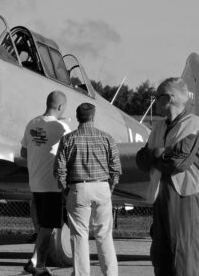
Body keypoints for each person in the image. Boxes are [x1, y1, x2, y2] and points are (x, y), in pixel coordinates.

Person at [135, 77, 199, 276]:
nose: (154, 101)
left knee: (184, 254)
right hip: (161, 195)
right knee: (161, 253)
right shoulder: (159, 126)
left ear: (169, 98)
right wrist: (159, 154)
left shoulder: (196, 126)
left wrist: (155, 154)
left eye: (157, 97)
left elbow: (177, 163)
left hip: (185, 196)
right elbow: (141, 160)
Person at [55, 102, 121, 276]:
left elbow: (60, 170)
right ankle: (111, 274)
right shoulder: (107, 138)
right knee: (104, 235)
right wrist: (110, 187)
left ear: (77, 117)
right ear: (93, 116)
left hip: (78, 188)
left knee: (79, 235)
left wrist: (65, 189)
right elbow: (115, 169)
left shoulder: (68, 139)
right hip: (102, 186)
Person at [20, 90, 70, 276]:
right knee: (48, 228)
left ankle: (33, 261)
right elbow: (72, 153)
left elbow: (24, 152)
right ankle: (39, 266)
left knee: (43, 227)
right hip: (52, 184)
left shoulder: (32, 123)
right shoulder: (61, 127)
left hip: (35, 183)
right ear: (60, 107)